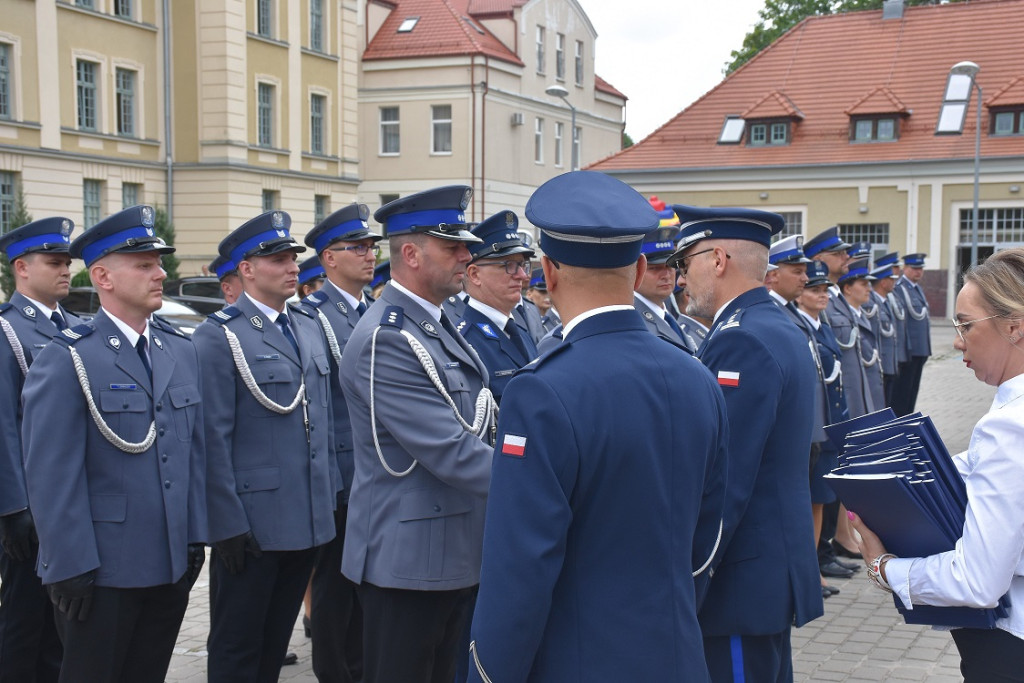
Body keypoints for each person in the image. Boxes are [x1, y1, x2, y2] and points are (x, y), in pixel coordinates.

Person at [468, 171, 728, 683]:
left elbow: (520, 568)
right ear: (639, 270)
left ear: (549, 271)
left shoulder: (541, 390)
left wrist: (489, 674)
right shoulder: (697, 375)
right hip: (677, 654)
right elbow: (708, 539)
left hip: (578, 661)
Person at [21, 205, 207, 683]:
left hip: (168, 561)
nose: (160, 273)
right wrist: (68, 564)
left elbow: (193, 454)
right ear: (102, 275)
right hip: (102, 569)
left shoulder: (178, 349)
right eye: (143, 265)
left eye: (158, 263)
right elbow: (51, 474)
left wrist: (194, 536)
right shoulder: (69, 357)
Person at [339, 186, 496, 683]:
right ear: (410, 254)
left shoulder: (431, 323)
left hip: (448, 548)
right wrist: (545, 479)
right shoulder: (388, 338)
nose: (467, 256)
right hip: (408, 562)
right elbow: (451, 450)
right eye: (453, 247)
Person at [849, 247, 1024, 682]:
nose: (958, 340)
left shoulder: (1008, 427)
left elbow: (978, 581)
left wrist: (885, 568)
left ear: (1013, 327)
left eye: (966, 325)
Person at [667, 204, 822, 682]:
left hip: (738, 581)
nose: (678, 279)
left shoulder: (742, 340)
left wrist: (688, 578)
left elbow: (725, 479)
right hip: (765, 573)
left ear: (717, 259)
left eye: (683, 262)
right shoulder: (775, 325)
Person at [192, 210, 336, 683]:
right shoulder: (221, 335)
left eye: (292, 255)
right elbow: (210, 436)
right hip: (252, 526)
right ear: (247, 270)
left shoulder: (308, 325)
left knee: (275, 642)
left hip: (308, 516)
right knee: (238, 646)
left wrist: (328, 497)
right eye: (276, 258)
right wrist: (225, 522)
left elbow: (322, 421)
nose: (291, 265)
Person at [299, 202, 381, 683]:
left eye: (372, 247)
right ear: (329, 258)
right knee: (334, 589)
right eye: (357, 248)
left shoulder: (375, 309)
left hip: (378, 472)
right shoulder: (313, 316)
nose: (369, 256)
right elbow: (318, 407)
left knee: (368, 587)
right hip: (342, 478)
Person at [0, 217, 83, 682]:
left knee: (63, 624)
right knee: (24, 620)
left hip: (68, 503)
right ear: (22, 269)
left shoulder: (76, 327)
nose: (65, 270)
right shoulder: (7, 331)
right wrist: (12, 506)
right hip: (30, 504)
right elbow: (2, 425)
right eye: (54, 262)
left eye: (67, 262)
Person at [795, 261, 851, 598]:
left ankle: (814, 565)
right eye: (813, 289)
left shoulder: (821, 325)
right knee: (807, 500)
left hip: (829, 423)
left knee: (819, 498)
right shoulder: (797, 325)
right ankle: (808, 571)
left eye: (823, 290)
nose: (821, 295)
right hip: (813, 425)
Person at [456, 210, 538, 403]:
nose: (522, 276)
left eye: (522, 265)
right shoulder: (465, 342)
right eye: (509, 265)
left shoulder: (519, 331)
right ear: (475, 275)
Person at [830, 258, 885, 416]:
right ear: (847, 288)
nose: (869, 289)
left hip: (870, 391)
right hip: (855, 394)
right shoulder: (839, 313)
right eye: (863, 284)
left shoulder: (859, 314)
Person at [634, 223, 698, 353]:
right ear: (637, 270)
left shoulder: (666, 315)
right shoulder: (635, 321)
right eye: (655, 268)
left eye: (670, 266)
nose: (666, 275)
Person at [891, 253, 931, 416]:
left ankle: (907, 420)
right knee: (902, 395)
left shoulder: (916, 288)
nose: (918, 272)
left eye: (920, 268)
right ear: (905, 269)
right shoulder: (899, 288)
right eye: (914, 268)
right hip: (909, 352)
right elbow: (902, 321)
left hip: (920, 350)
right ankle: (901, 422)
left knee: (911, 393)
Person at [865, 254, 901, 404]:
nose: (894, 282)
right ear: (883, 282)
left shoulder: (884, 302)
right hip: (881, 364)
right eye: (891, 279)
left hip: (890, 363)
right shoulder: (871, 305)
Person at [525, 268, 560, 333]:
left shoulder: (558, 320)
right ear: (529, 294)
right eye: (542, 292)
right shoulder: (525, 321)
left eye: (550, 292)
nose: (548, 296)